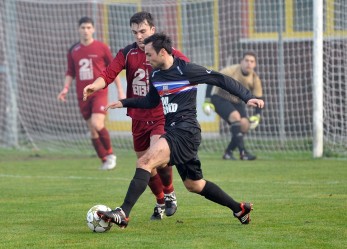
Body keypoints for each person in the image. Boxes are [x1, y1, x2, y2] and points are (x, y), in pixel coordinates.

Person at [83, 33, 264, 228]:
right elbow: (151, 101)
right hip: (174, 132)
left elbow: (220, 79)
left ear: (162, 52)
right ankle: (239, 208)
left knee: (145, 161)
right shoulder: (156, 75)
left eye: (150, 54)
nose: (147, 58)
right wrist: (124, 102)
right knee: (194, 185)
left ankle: (123, 212)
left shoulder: (186, 70)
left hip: (186, 130)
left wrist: (247, 97)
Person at [84, 12, 189, 220]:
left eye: (142, 31)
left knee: (155, 159)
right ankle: (160, 199)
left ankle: (169, 193)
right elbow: (108, 74)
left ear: (152, 29)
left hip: (160, 115)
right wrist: (93, 87)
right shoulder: (127, 53)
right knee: (145, 164)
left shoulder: (166, 52)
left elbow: (187, 69)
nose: (139, 36)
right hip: (138, 117)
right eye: (134, 32)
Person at [57, 17, 125, 170]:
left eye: (88, 27)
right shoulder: (73, 50)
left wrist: (120, 90)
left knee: (97, 123)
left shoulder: (101, 47)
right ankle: (104, 159)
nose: (86, 30)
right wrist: (65, 89)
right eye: (83, 27)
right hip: (82, 95)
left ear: (93, 29)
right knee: (92, 130)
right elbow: (70, 72)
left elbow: (113, 69)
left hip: (99, 92)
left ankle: (111, 154)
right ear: (78, 29)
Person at [203, 51, 263, 160]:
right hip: (220, 98)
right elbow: (212, 79)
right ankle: (243, 153)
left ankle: (228, 152)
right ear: (241, 62)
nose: (248, 63)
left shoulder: (255, 78)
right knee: (236, 117)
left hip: (237, 102)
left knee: (245, 124)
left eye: (252, 61)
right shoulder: (230, 71)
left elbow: (259, 98)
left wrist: (257, 116)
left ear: (255, 65)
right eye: (246, 60)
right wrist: (207, 100)